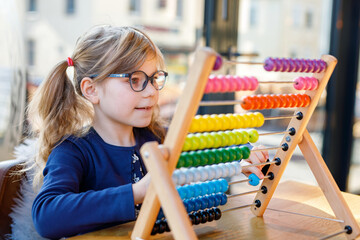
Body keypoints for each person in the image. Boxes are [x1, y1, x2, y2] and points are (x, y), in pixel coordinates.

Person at [28, 25, 268, 239]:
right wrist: (137, 192)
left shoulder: (157, 137)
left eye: (154, 78)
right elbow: (47, 216)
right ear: (91, 90)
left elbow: (205, 149)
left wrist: (239, 157)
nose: (152, 91)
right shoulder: (73, 151)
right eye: (134, 79)